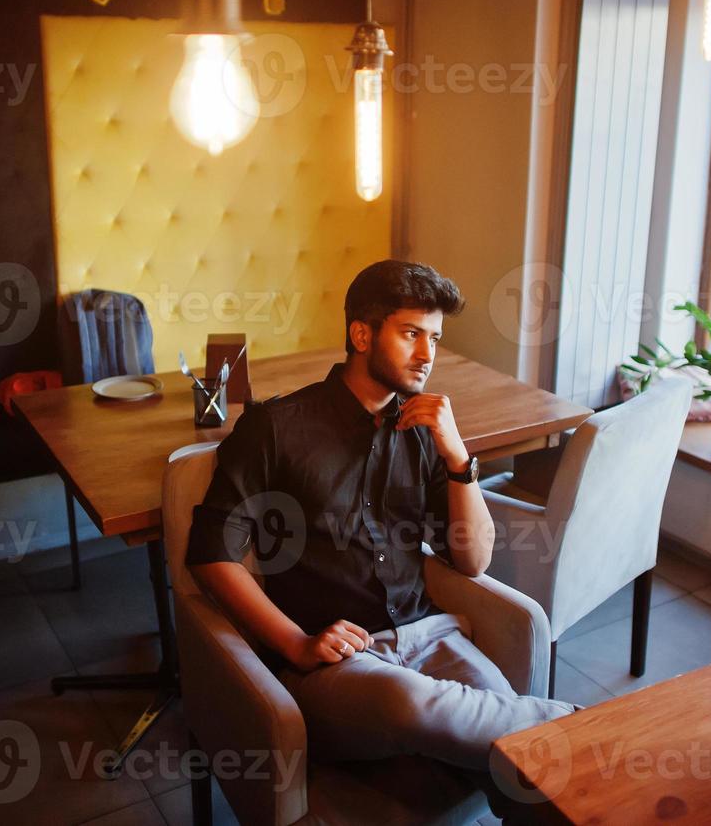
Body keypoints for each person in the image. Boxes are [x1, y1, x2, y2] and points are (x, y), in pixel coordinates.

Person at [185, 259, 574, 776]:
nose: (426, 355)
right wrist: (297, 644)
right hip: (339, 657)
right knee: (413, 705)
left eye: (434, 338)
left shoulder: (423, 430)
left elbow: (473, 560)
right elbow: (213, 556)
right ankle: (585, 727)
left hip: (432, 636)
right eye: (411, 334)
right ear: (362, 334)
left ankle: (568, 756)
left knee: (508, 740)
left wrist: (459, 461)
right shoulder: (275, 428)